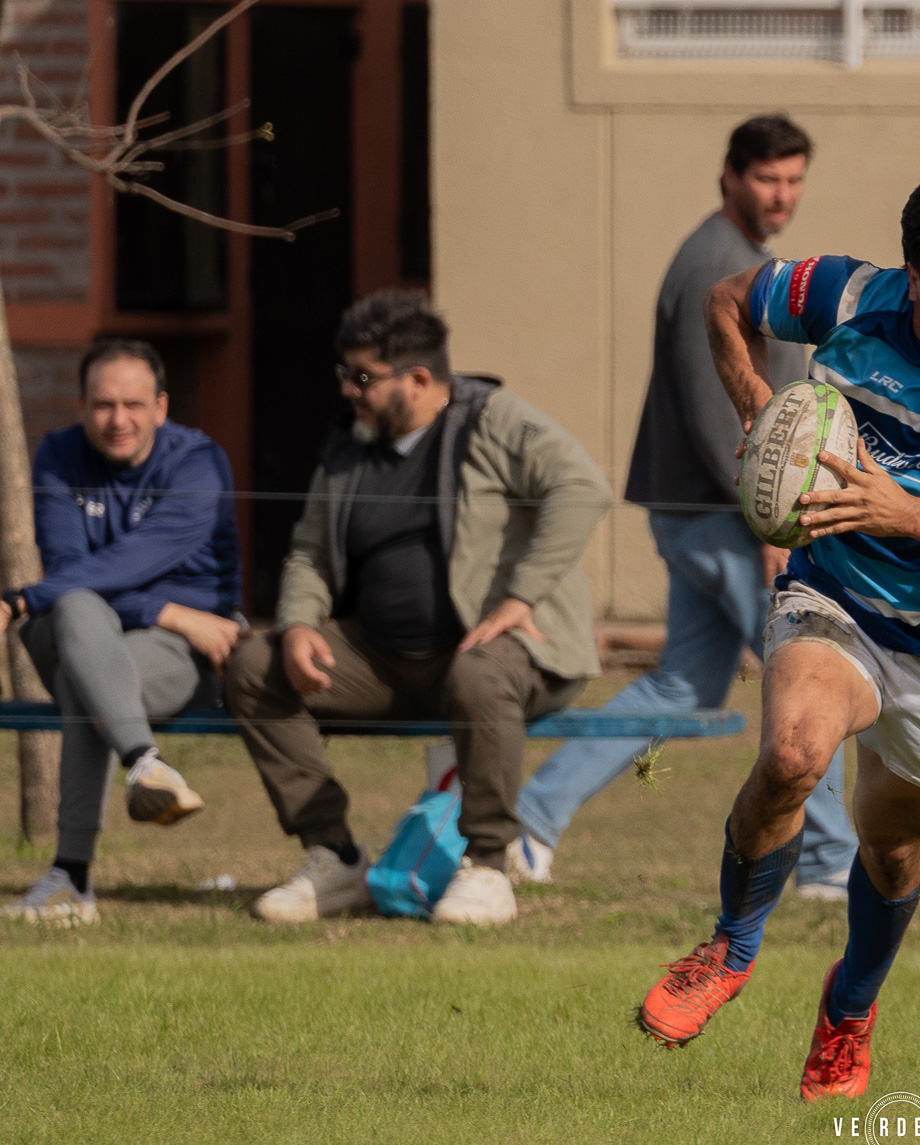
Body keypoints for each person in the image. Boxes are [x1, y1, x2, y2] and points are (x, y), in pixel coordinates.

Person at [635, 167, 920, 1101]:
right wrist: (754, 400)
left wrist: (907, 512)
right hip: (833, 599)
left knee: (890, 849)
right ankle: (731, 944)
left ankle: (849, 1009)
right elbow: (728, 302)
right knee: (794, 754)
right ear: (912, 278)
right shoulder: (844, 294)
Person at [508, 113, 856, 895]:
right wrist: (767, 526)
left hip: (701, 517)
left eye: (794, 180)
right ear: (729, 177)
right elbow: (719, 415)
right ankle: (831, 863)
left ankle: (530, 818)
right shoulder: (717, 264)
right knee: (807, 682)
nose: (782, 195)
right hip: (725, 522)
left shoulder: (739, 256)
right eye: (768, 179)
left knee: (683, 688)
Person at [226, 291, 609, 927]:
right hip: (382, 660)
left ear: (420, 379)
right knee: (251, 664)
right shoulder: (350, 445)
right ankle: (335, 857)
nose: (348, 389)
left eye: (363, 376)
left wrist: (521, 596)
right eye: (344, 373)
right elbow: (309, 552)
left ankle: (487, 867)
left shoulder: (492, 418)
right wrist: (296, 627)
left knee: (477, 674)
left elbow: (581, 488)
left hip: (503, 653)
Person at [0, 338, 243, 926]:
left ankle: (71, 877)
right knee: (80, 609)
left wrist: (22, 600)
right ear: (82, 406)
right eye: (103, 405)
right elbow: (68, 573)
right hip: (113, 630)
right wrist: (172, 612)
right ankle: (146, 765)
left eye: (133, 405)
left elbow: (138, 557)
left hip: (188, 654)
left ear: (161, 407)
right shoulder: (58, 456)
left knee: (90, 679)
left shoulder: (199, 462)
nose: (118, 420)